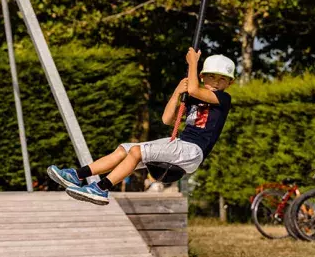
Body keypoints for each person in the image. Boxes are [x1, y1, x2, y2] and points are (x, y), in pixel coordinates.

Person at [47, 49, 235, 205]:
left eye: (222, 79)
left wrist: (193, 62)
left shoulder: (223, 99)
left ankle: (101, 189)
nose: (216, 82)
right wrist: (177, 92)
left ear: (229, 83)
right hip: (179, 143)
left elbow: (194, 88)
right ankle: (78, 175)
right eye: (211, 77)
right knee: (124, 149)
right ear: (203, 77)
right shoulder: (193, 97)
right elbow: (167, 119)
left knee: (137, 151)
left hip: (192, 151)